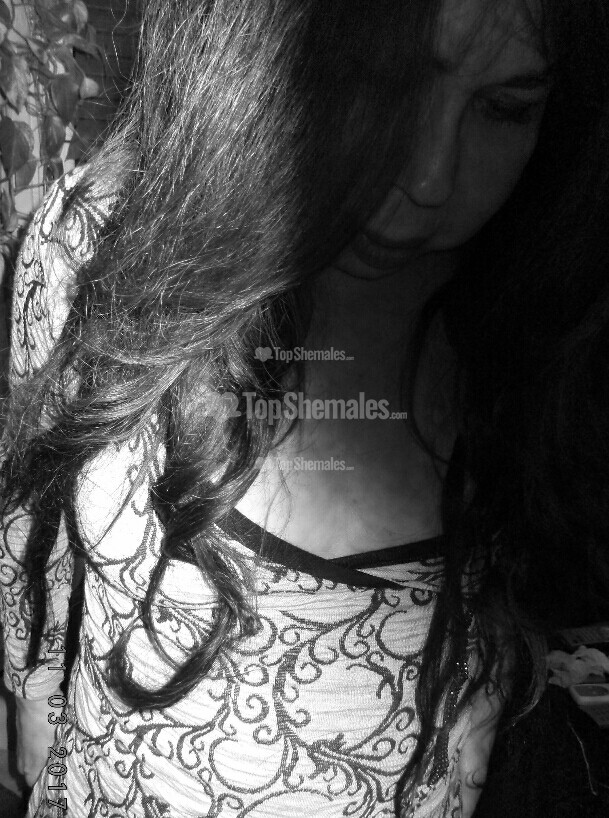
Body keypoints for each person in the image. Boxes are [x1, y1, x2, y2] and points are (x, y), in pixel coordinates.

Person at [1, 0, 608, 816]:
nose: (429, 179)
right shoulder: (106, 239)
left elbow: (511, 635)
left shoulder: (545, 331)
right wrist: (32, 690)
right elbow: (31, 499)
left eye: (503, 107)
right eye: (382, 83)